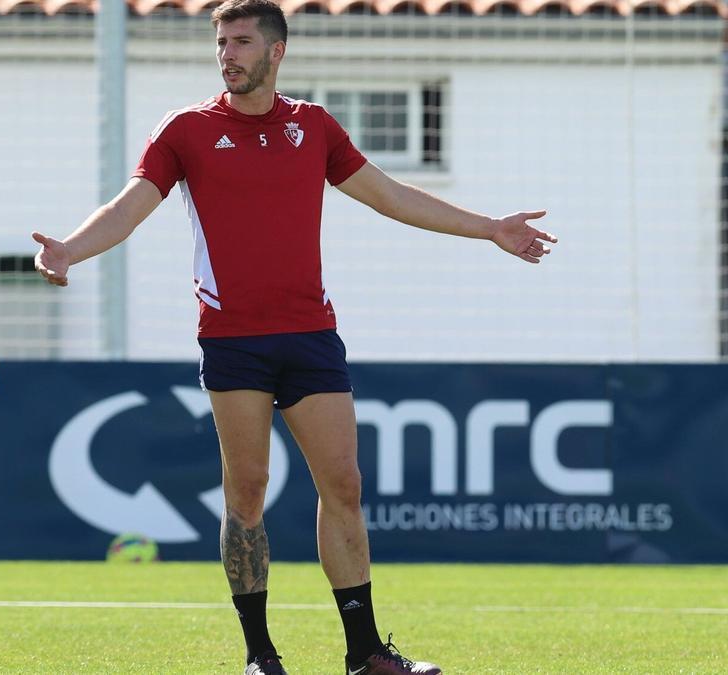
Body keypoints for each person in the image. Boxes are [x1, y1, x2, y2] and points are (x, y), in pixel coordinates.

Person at [32, 0, 557, 673]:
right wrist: (71, 249)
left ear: (277, 51)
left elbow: (391, 194)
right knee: (246, 493)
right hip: (233, 341)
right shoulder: (186, 130)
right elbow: (131, 205)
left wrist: (488, 226)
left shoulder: (313, 127)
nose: (228, 53)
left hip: (311, 335)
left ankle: (365, 652)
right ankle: (259, 654)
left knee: (344, 485)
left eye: (242, 41)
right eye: (221, 41)